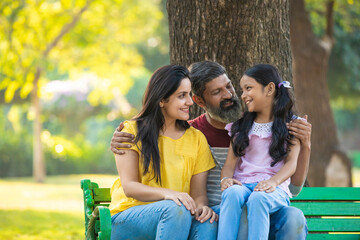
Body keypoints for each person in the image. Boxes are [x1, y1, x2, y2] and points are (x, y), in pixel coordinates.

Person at [110, 61, 311, 239]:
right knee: (196, 214)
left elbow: (293, 188)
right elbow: (131, 183)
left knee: (293, 217)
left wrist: (306, 146)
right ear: (200, 101)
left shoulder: (251, 126)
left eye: (229, 86)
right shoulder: (194, 132)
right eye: (217, 92)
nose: (230, 95)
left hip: (255, 205)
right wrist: (172, 195)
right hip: (193, 211)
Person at [109, 65, 218, 240]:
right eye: (182, 96)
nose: (190, 102)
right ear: (162, 100)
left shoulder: (196, 138)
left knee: (207, 222)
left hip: (177, 215)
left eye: (189, 94)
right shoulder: (131, 131)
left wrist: (202, 206)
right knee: (175, 209)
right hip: (128, 217)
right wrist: (169, 194)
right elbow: (129, 187)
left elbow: (198, 194)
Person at [218, 64, 304, 240]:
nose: (243, 95)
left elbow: (291, 163)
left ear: (270, 89)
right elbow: (229, 165)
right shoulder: (240, 126)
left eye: (248, 88)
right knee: (231, 193)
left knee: (259, 199)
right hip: (243, 185)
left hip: (274, 188)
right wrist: (226, 180)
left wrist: (273, 182)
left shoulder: (292, 125)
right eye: (242, 90)